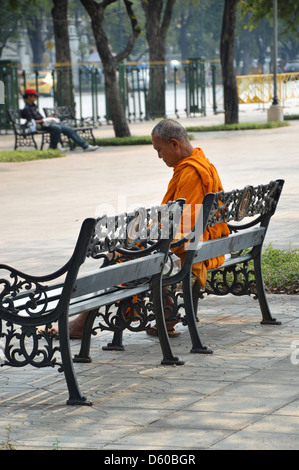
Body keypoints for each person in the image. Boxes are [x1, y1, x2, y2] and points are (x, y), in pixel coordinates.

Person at [50, 119, 229, 339]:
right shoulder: (202, 163)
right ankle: (166, 312)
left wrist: (146, 236)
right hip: (206, 241)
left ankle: (82, 324)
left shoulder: (192, 172)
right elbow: (180, 217)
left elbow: (184, 226)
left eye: (160, 150)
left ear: (174, 144)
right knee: (134, 248)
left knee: (120, 255)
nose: (159, 157)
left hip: (192, 246)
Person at [20, 88, 99, 152]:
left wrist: (49, 117)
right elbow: (32, 122)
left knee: (67, 129)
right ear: (29, 97)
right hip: (39, 126)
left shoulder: (34, 106)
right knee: (56, 128)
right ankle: (53, 148)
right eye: (34, 96)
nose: (36, 98)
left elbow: (40, 118)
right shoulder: (27, 109)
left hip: (44, 123)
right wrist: (45, 120)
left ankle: (85, 146)